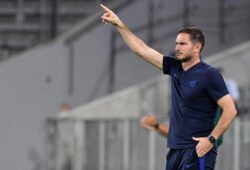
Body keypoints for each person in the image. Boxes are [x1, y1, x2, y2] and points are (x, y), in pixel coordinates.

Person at [100, 4, 237, 170]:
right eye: (176, 43)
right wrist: (120, 25)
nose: (177, 47)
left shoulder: (209, 74)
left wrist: (211, 140)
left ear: (197, 47)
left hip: (198, 151)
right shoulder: (174, 67)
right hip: (174, 151)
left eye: (182, 44)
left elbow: (231, 110)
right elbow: (141, 50)